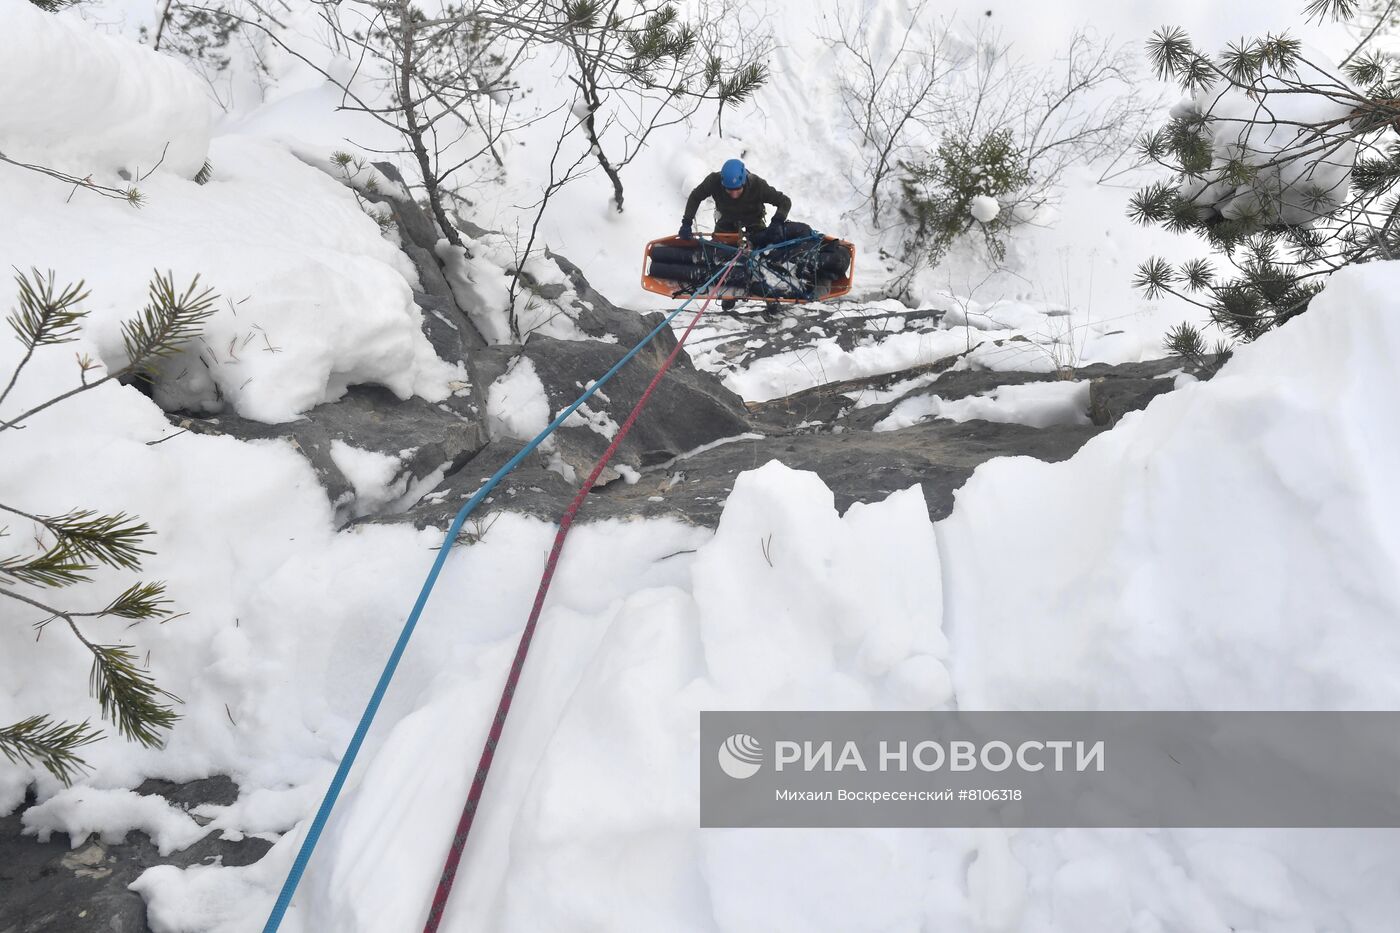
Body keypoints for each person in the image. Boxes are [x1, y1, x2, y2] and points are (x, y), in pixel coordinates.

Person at [679, 159, 792, 313]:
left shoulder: (757, 185)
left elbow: (784, 201)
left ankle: (769, 294)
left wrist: (778, 220)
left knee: (762, 258)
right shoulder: (713, 181)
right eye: (729, 190)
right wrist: (686, 222)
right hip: (726, 222)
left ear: (744, 181)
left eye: (737, 189)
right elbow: (695, 196)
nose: (733, 194)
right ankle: (728, 294)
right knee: (722, 257)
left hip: (753, 222)